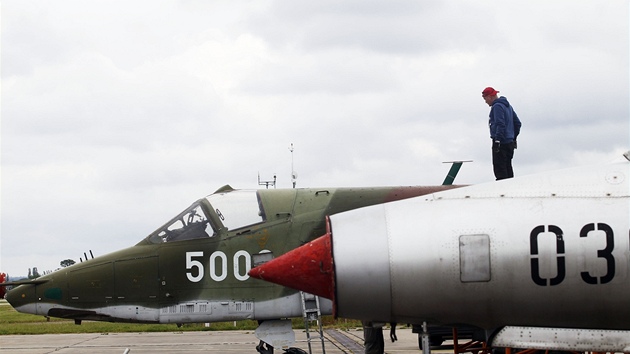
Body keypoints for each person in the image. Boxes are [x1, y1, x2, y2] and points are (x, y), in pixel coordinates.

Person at [482, 87, 522, 180]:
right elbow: (518, 123)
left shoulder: (497, 107)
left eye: (485, 99)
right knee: (508, 168)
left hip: (501, 143)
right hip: (509, 143)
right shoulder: (508, 106)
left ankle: (503, 192)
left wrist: (498, 140)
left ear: (490, 97)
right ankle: (511, 190)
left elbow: (500, 124)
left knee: (500, 171)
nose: (485, 102)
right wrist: (513, 138)